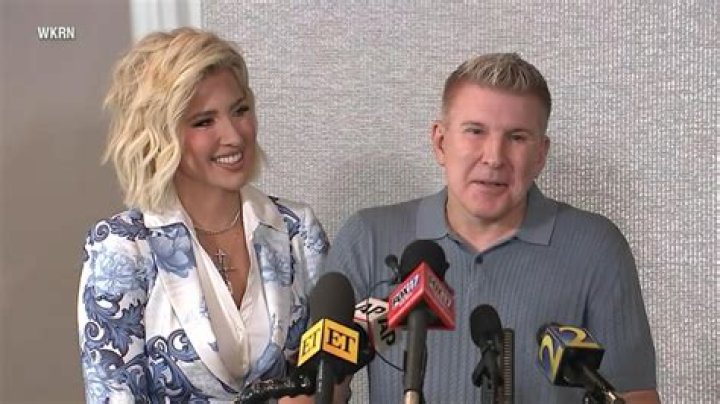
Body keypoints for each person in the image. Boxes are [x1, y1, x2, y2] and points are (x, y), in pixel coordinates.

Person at [325, 53, 660, 403]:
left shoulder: (595, 247)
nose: (494, 157)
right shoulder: (369, 237)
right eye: (475, 131)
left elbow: (633, 394)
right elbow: (315, 387)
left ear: (541, 154)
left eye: (517, 137)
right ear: (440, 142)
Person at [77, 28, 328, 403]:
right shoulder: (123, 248)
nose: (234, 135)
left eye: (239, 110)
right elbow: (114, 395)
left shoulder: (297, 230)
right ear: (160, 135)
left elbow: (328, 378)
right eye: (204, 121)